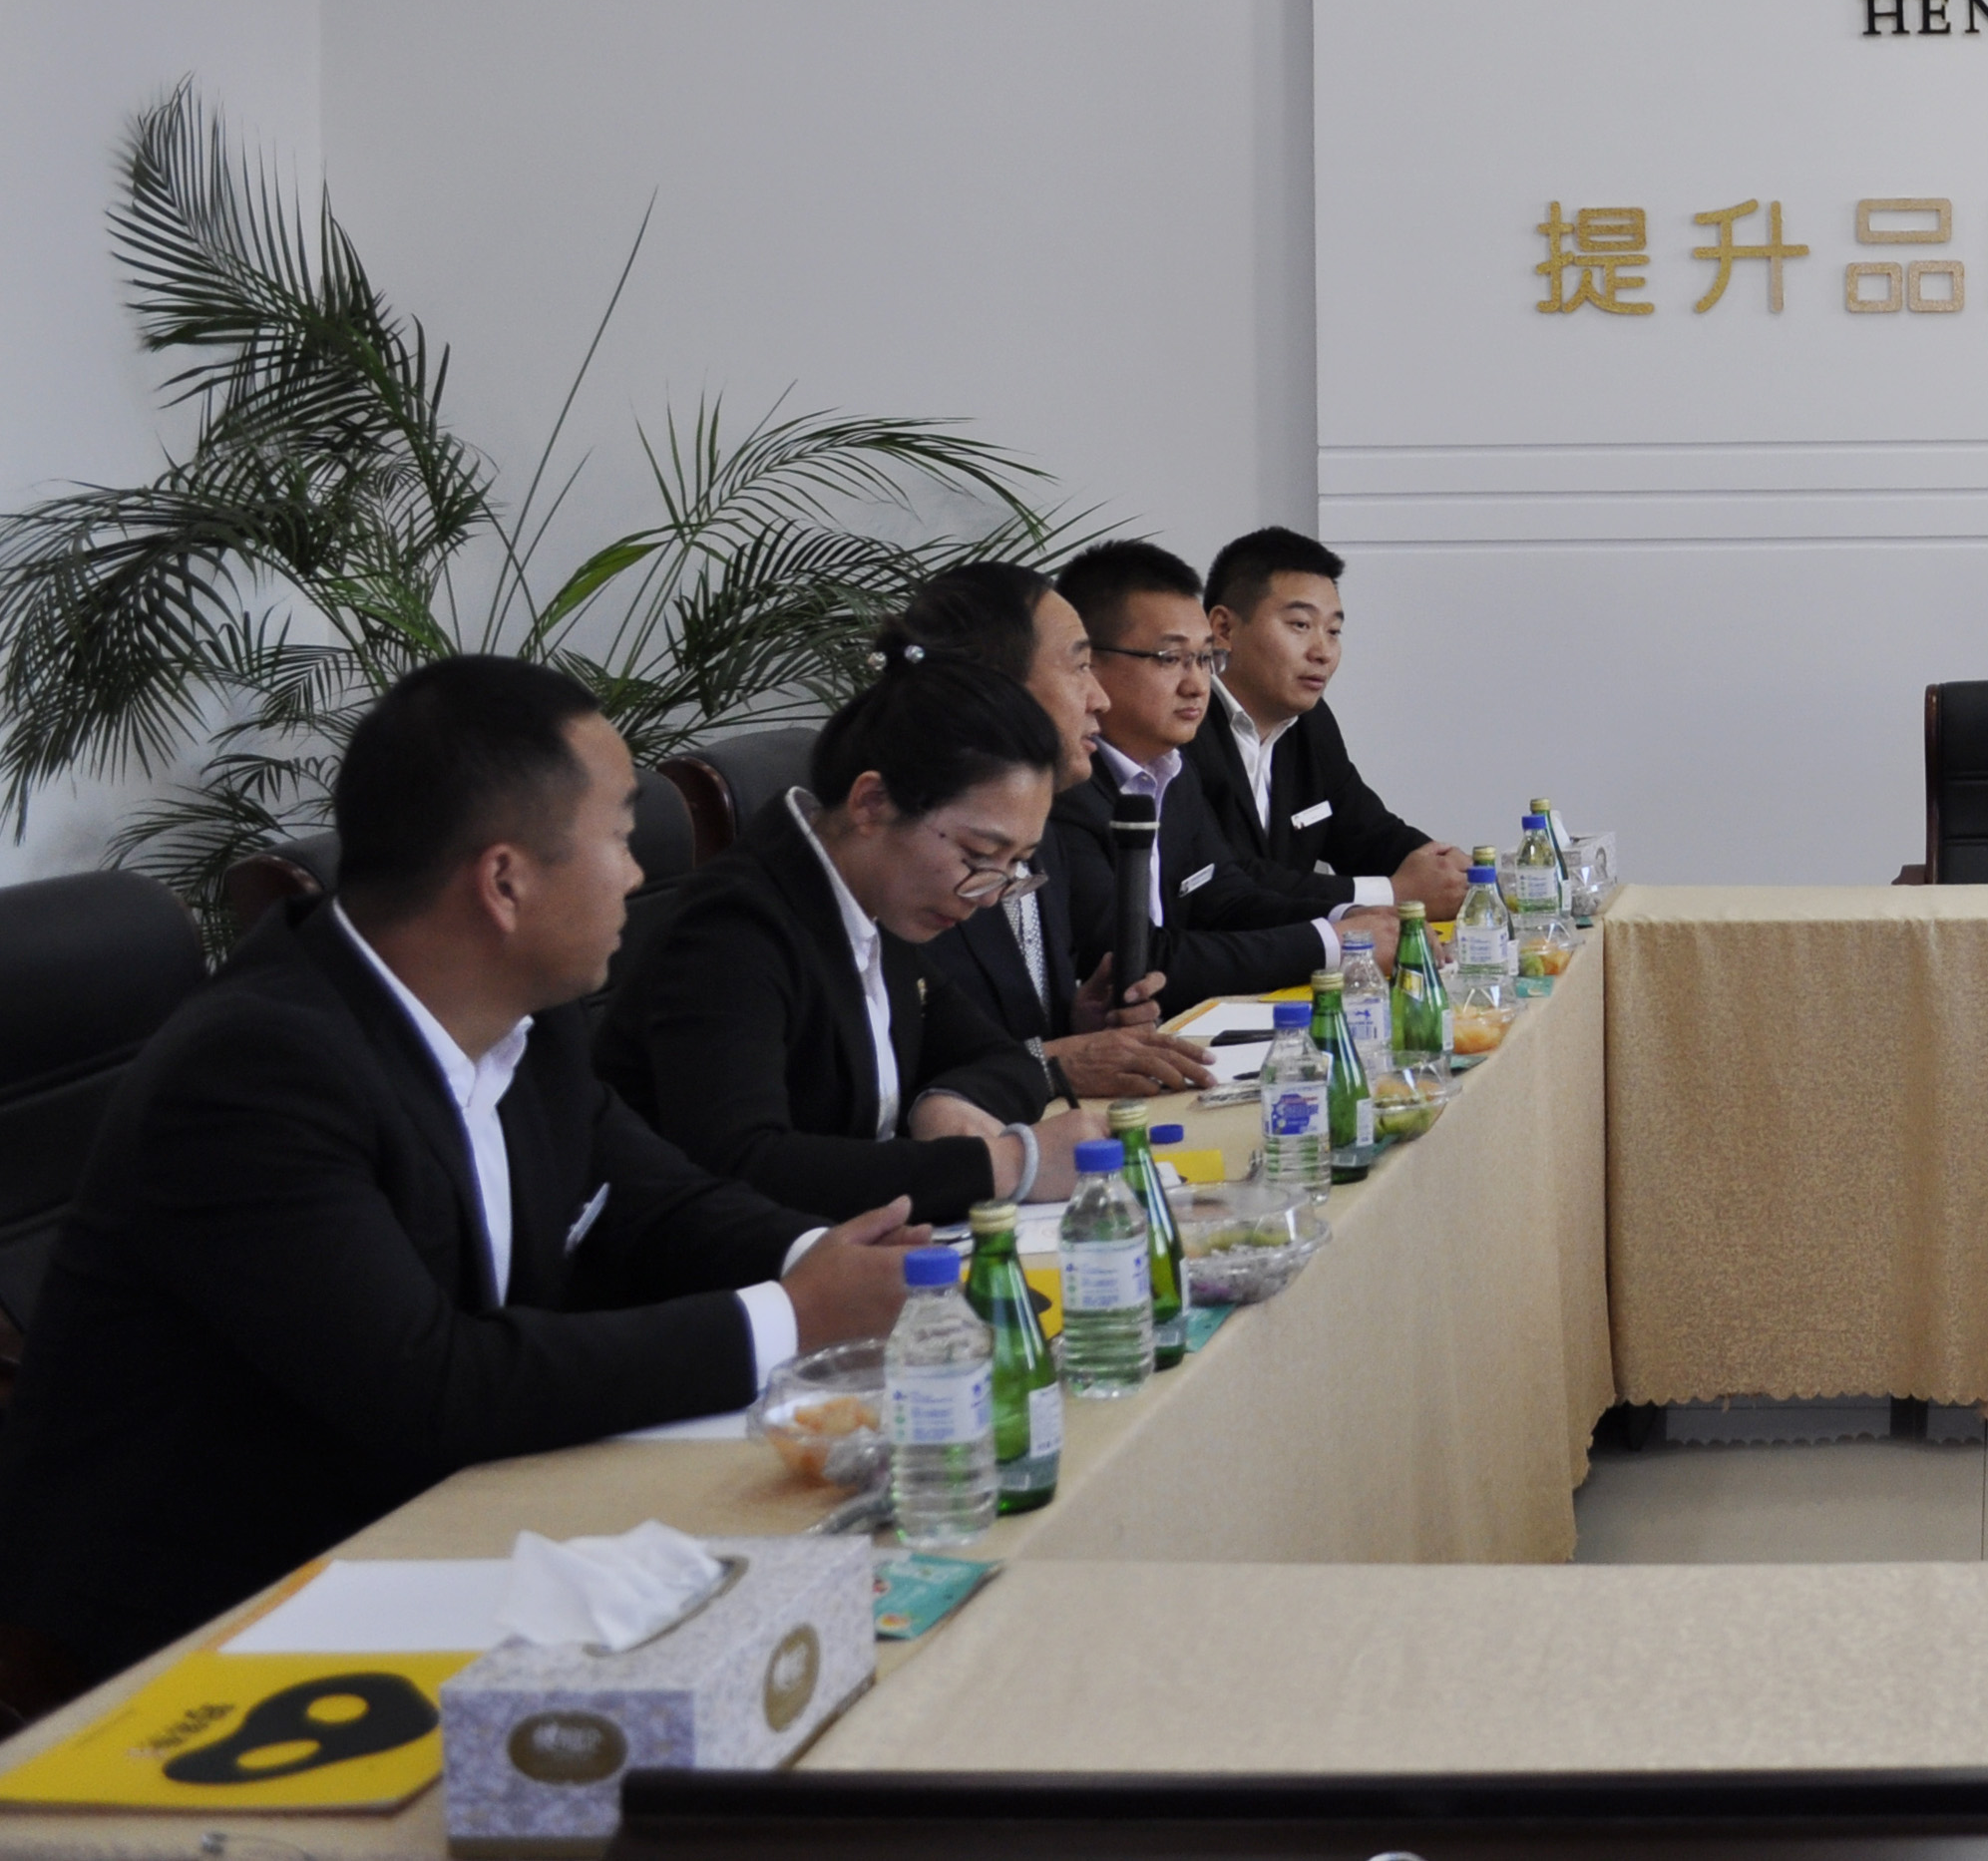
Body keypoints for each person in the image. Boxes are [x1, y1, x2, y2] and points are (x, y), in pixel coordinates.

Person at [0, 660, 918, 1701]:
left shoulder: (526, 1021)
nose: (636, 875)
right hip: (206, 1622)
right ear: (504, 881)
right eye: (621, 835)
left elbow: (653, 1199)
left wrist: (829, 1258)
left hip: (434, 1523)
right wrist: (793, 1317)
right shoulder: (256, 1072)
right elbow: (430, 1386)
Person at [598, 650, 1108, 1221]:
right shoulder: (732, 930)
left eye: (1016, 862)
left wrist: (948, 1099)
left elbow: (1003, 1057)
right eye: (979, 855)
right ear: (871, 803)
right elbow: (742, 1163)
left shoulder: (876, 902)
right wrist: (1006, 1164)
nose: (989, 895)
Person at [882, 564, 1209, 1099]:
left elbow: (1003, 1032)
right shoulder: (911, 843)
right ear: (999, 688)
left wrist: (1078, 1024)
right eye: (1080, 668)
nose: (1100, 698)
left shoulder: (1042, 826)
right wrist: (1052, 1062)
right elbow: (903, 1077)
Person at [1049, 539, 1397, 1016]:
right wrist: (1330, 943)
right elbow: (1131, 963)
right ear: (1090, 664)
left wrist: (1354, 918)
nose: (1196, 685)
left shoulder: (1173, 770)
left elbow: (1224, 898)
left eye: (1204, 659)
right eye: (1169, 658)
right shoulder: (1063, 792)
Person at [1193, 526, 1470, 928]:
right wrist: (1394, 893)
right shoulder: (1182, 727)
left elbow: (1367, 833)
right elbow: (1230, 878)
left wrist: (1449, 870)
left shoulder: (1311, 723)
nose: (1323, 652)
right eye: (1300, 625)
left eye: (1334, 631)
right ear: (1223, 629)